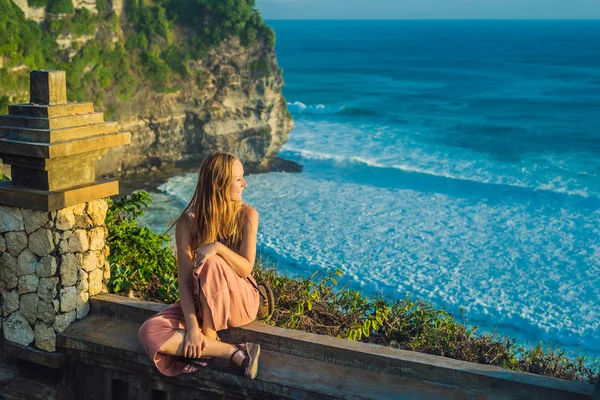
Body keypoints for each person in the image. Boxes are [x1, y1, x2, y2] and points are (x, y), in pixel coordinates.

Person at [138, 151, 261, 379]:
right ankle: (231, 351)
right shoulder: (187, 222)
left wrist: (219, 248)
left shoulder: (247, 215)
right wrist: (192, 329)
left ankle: (208, 338)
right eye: (238, 179)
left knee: (212, 261)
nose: (245, 183)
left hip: (240, 301)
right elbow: (184, 281)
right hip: (201, 300)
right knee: (148, 331)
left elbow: (245, 269)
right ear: (219, 184)